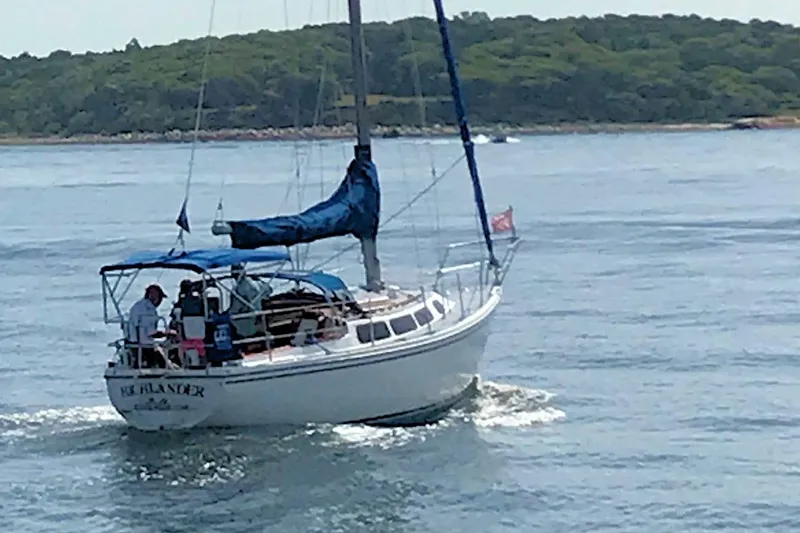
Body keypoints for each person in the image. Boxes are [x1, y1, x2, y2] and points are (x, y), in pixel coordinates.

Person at [126, 284, 168, 368]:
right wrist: (167, 333)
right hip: (143, 345)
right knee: (162, 362)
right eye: (159, 298)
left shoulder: (137, 305)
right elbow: (150, 333)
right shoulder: (148, 309)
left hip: (133, 342)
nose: (160, 301)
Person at [229, 264, 271, 339]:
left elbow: (234, 309)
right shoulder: (257, 283)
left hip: (248, 322)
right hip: (260, 316)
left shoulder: (238, 290)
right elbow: (269, 290)